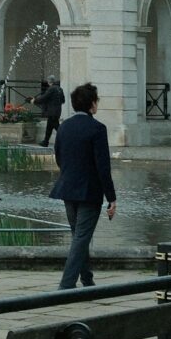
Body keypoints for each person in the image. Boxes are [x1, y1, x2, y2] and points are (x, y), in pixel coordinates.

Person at [48, 83, 116, 290]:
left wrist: (69, 175)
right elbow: (103, 167)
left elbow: (58, 156)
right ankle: (66, 286)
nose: (97, 104)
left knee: (79, 235)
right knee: (80, 237)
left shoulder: (65, 126)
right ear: (91, 104)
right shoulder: (97, 128)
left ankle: (87, 280)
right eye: (96, 100)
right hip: (89, 191)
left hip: (67, 188)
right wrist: (112, 198)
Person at [34, 78, 65, 146]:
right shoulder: (60, 89)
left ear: (49, 82)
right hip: (57, 111)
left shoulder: (51, 89)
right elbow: (63, 100)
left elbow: (44, 97)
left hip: (52, 112)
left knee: (57, 127)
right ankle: (45, 142)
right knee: (49, 127)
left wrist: (34, 100)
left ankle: (67, 139)